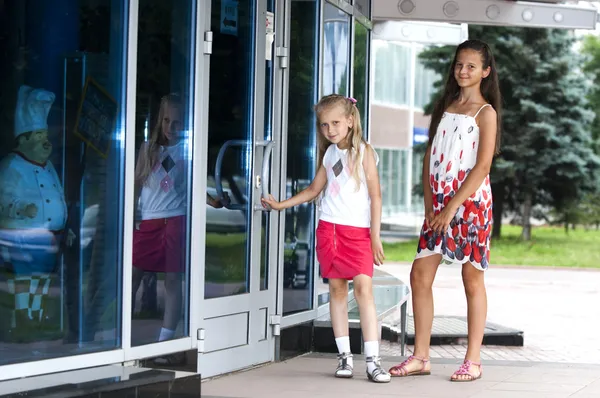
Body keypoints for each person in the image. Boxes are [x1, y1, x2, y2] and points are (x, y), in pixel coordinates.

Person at [388, 39, 501, 382]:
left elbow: (482, 167)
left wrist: (452, 208)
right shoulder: (446, 106)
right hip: (439, 205)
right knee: (420, 275)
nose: (463, 71)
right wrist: (430, 204)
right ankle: (420, 356)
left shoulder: (486, 113)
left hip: (470, 204)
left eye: (471, 66)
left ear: (485, 71)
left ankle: (473, 360)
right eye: (459, 65)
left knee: (471, 277)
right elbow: (430, 157)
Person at [262, 94, 391, 383]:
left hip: (357, 234)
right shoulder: (330, 154)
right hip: (329, 231)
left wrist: (375, 236)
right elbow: (313, 190)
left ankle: (372, 361)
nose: (330, 130)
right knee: (336, 291)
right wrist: (281, 204)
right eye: (324, 125)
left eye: (335, 123)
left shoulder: (365, 152)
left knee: (364, 290)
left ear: (349, 120)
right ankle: (344, 358)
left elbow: (376, 196)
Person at [132, 93, 228, 363]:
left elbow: (195, 185)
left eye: (177, 122)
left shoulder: (188, 151)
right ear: (158, 121)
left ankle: (165, 342)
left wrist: (212, 200)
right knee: (134, 274)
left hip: (176, 220)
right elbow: (137, 183)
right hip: (148, 220)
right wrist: (131, 216)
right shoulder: (148, 149)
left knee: (173, 281)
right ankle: (123, 337)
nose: (171, 127)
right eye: (166, 121)